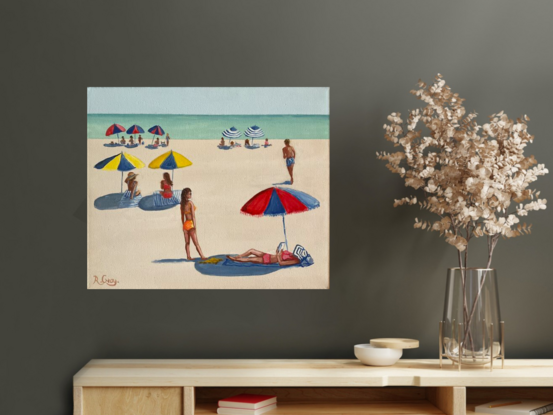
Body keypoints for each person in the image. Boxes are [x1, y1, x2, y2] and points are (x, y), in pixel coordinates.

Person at [180, 188, 207, 260]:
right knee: (196, 242)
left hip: (185, 225)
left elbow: (182, 217)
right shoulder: (190, 203)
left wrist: (183, 225)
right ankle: (202, 256)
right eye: (189, 194)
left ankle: (188, 256)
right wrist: (195, 225)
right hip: (191, 223)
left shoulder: (182, 204)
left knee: (187, 242)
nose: (190, 195)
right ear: (185, 195)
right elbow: (193, 216)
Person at [227, 246, 300, 267]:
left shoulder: (295, 260)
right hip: (268, 256)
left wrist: (278, 254)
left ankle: (234, 259)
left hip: (268, 260)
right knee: (252, 250)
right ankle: (238, 256)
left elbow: (281, 263)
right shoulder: (291, 254)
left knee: (250, 259)